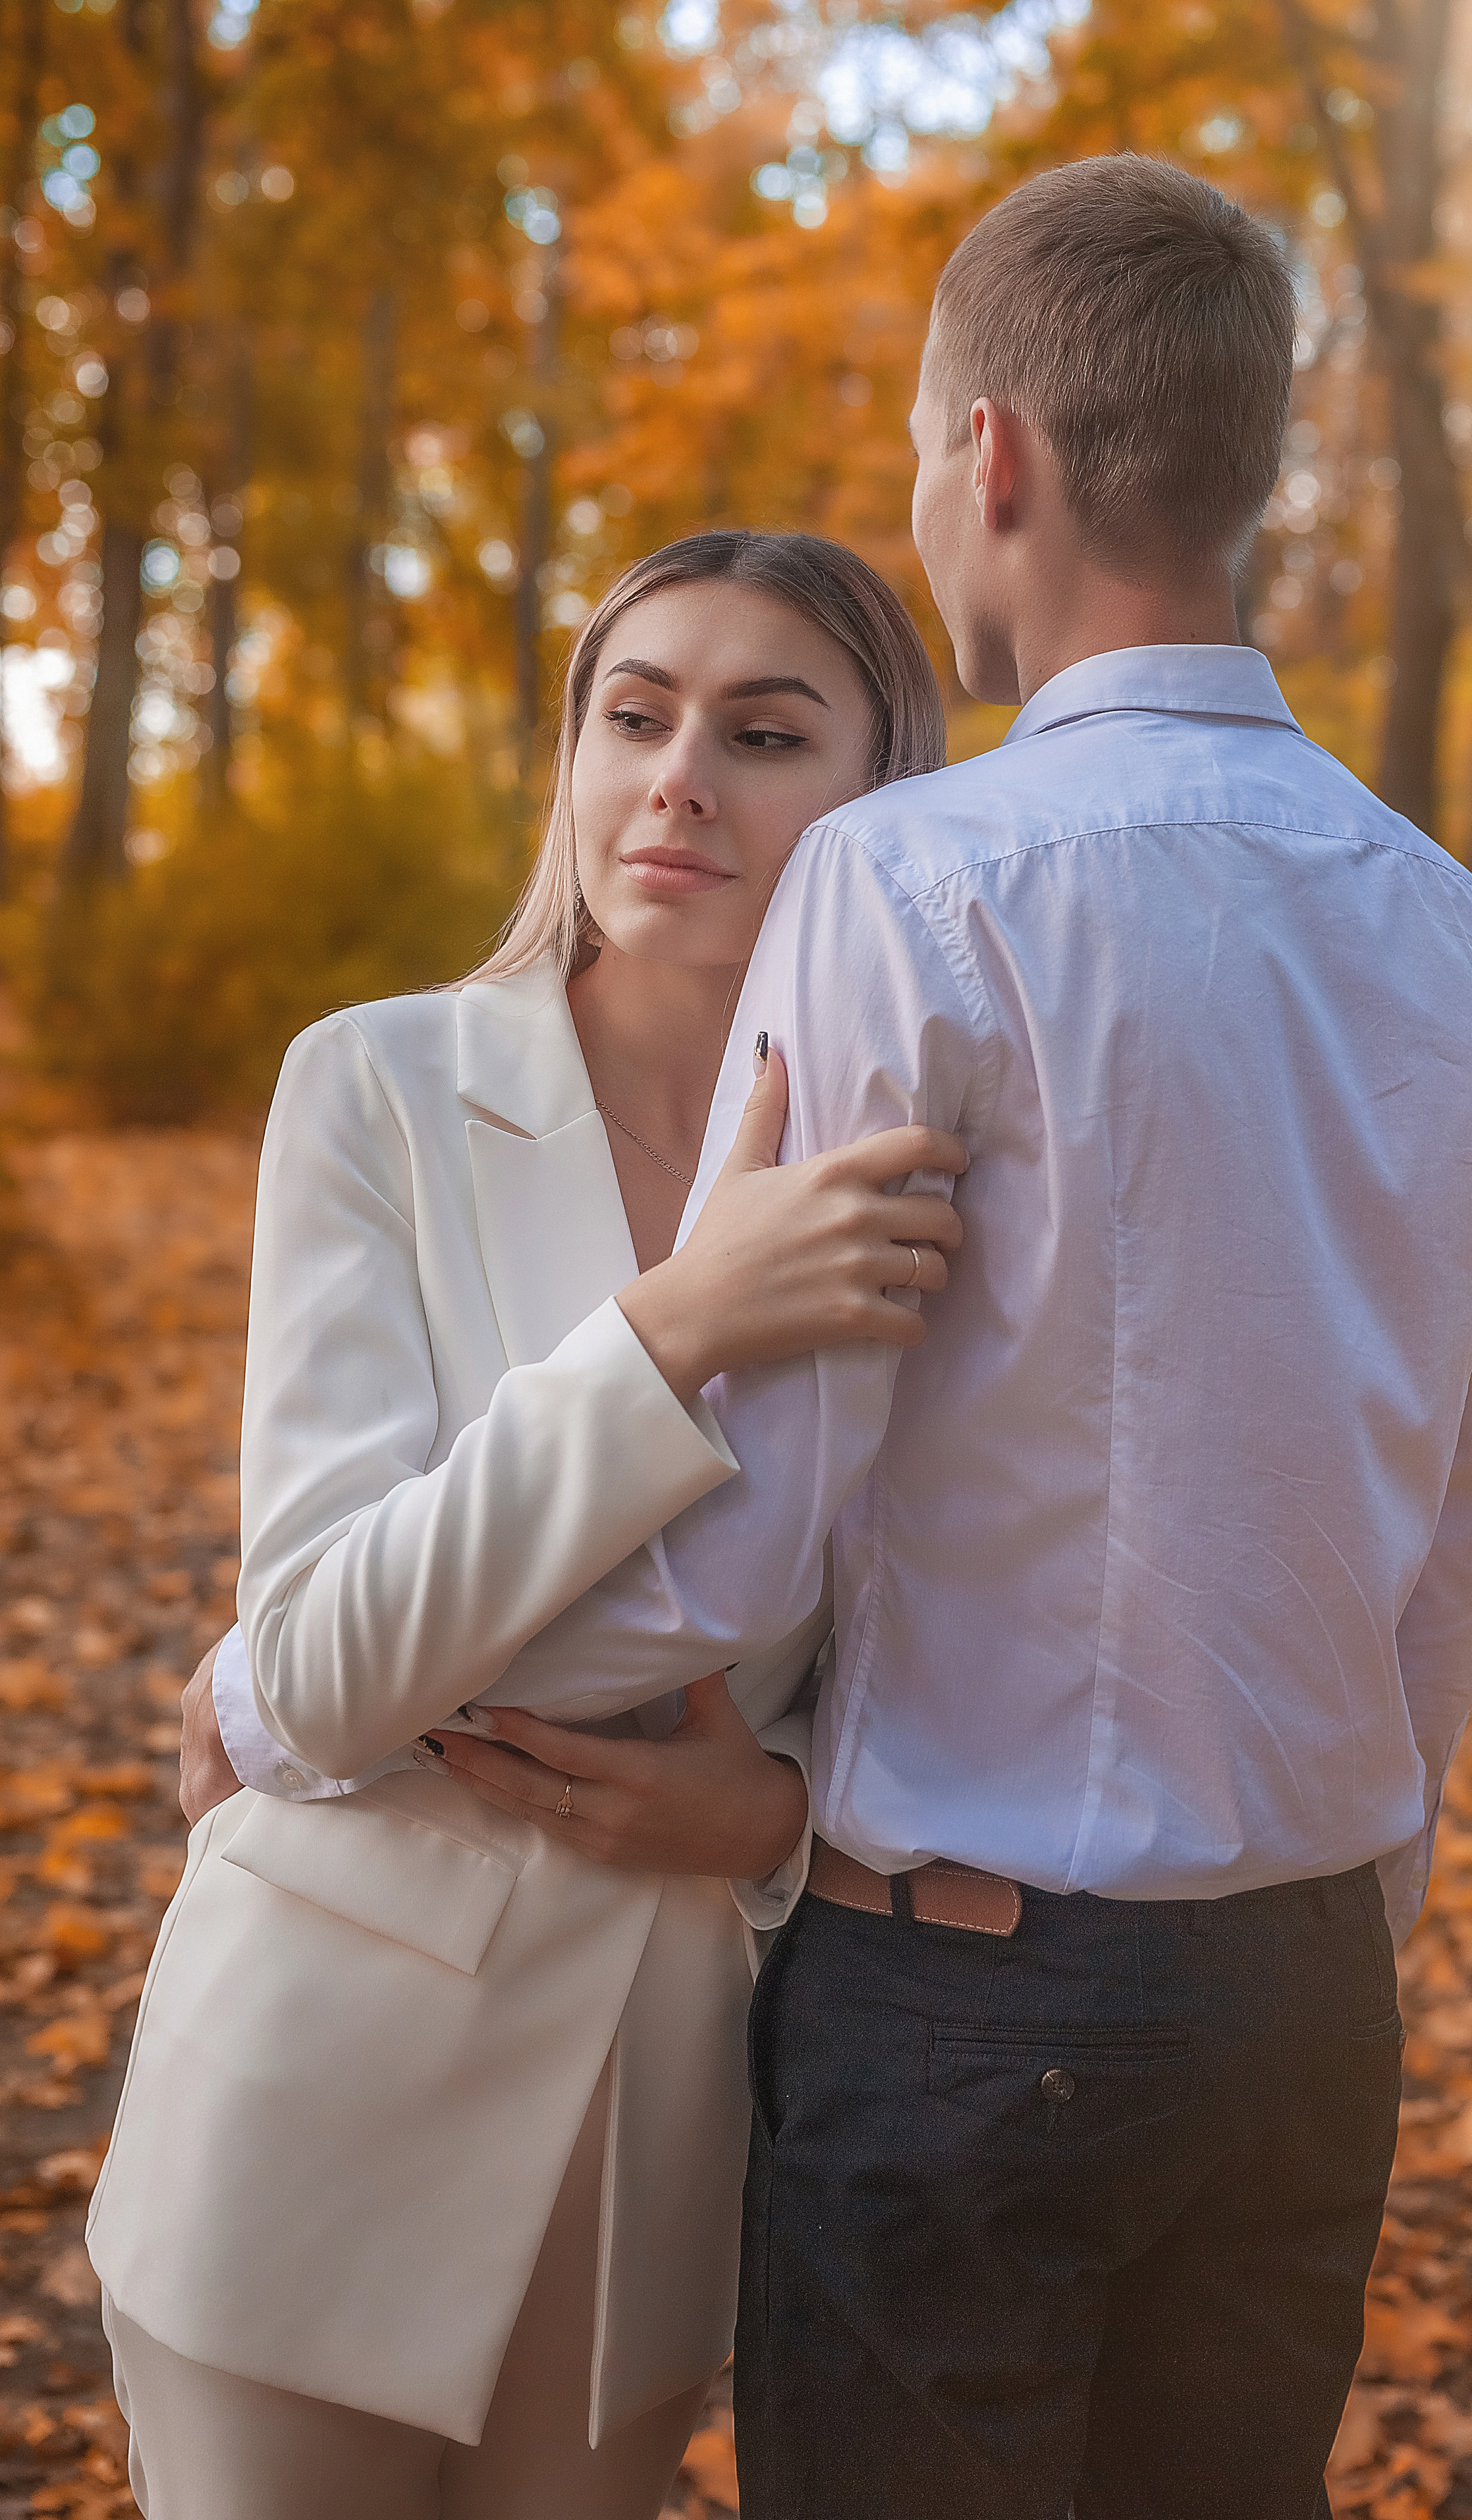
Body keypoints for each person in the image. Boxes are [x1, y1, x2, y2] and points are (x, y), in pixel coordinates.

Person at [402, 156, 1472, 2517]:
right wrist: (1352, 1912)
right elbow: (1459, 1526)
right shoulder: (1470, 944)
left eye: (936, 450)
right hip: (1312, 2002)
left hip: (968, 1996)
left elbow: (775, 1483)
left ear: (997, 456)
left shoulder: (910, 881)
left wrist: (515, 1673)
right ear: (1255, 470)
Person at [86, 530, 964, 2519]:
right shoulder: (379, 1086)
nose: (680, 777)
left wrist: (775, 1822)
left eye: (764, 732)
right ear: (569, 759)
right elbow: (313, 1663)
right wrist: (670, 1333)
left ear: (878, 806)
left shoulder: (915, 1179)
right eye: (634, 715)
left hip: (649, 2153)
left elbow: (950, 1653)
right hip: (318, 2107)